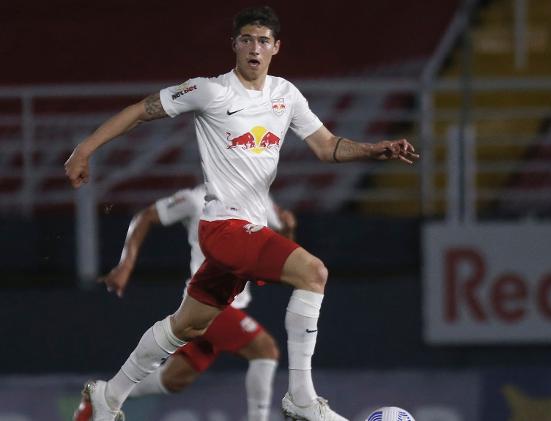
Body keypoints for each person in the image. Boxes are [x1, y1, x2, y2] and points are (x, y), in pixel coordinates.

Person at [64, 5, 418, 421]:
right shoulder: (210, 91)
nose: (255, 48)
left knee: (187, 325)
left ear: (276, 47)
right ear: (234, 45)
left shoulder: (286, 95)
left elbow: (327, 146)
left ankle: (108, 396)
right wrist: (85, 149)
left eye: (263, 41)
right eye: (247, 39)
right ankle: (302, 399)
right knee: (314, 273)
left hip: (243, 231)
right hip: (224, 227)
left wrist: (375, 149)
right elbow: (142, 110)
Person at [73, 185, 295, 421]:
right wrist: (126, 264)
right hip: (208, 300)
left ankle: (102, 398)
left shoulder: (261, 201)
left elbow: (280, 260)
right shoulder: (196, 199)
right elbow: (146, 216)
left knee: (174, 380)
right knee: (265, 350)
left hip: (231, 305)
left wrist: (289, 229)